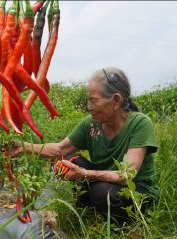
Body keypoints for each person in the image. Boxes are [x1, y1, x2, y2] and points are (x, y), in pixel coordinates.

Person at [11, 67, 158, 221]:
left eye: (94, 100)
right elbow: (61, 149)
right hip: (104, 183)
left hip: (136, 193)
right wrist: (23, 147)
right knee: (72, 161)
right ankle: (89, 211)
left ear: (116, 100)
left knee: (102, 193)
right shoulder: (91, 124)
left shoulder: (140, 123)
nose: (89, 106)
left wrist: (84, 174)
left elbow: (126, 175)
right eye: (88, 100)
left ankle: (116, 220)